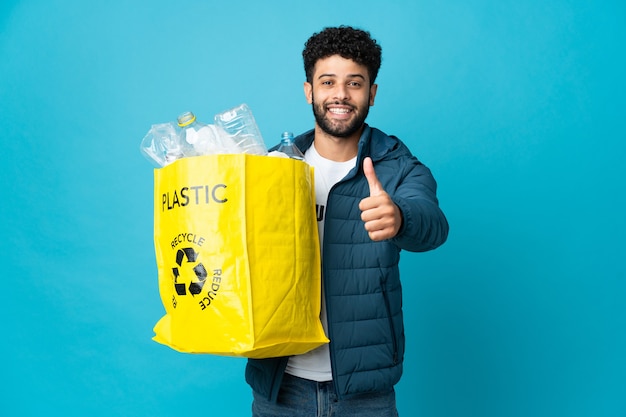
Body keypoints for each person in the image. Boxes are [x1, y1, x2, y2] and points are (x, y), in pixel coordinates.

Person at [246, 25, 449, 416]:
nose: (340, 94)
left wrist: (400, 217)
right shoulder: (271, 169)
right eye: (328, 82)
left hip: (365, 393)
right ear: (309, 91)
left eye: (354, 83)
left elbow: (434, 225)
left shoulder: (398, 167)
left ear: (371, 94)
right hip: (280, 386)